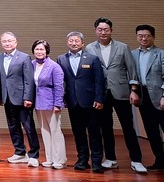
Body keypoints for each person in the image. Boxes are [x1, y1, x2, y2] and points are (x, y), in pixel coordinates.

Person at [85, 17, 147, 173]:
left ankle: (136, 160)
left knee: (128, 127)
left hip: (121, 92)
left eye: (106, 29)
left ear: (111, 30)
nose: (103, 32)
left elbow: (131, 70)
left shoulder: (122, 47)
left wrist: (134, 90)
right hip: (101, 94)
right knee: (105, 127)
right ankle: (111, 159)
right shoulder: (89, 48)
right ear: (95, 31)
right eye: (100, 29)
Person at [57, 31, 105, 173]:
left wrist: (99, 98)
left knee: (94, 133)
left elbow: (99, 81)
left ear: (82, 43)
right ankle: (82, 160)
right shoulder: (61, 59)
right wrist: (62, 99)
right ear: (67, 42)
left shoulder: (92, 58)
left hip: (90, 102)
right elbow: (61, 81)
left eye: (77, 41)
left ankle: (97, 162)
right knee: (78, 133)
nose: (74, 43)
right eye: (71, 41)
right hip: (72, 102)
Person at [0, 30, 39, 167]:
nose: (7, 43)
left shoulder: (24, 57)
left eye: (9, 41)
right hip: (7, 98)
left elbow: (29, 80)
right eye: (4, 41)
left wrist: (28, 98)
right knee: (13, 126)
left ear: (15, 42)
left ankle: (34, 155)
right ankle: (20, 152)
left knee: (28, 127)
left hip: (22, 99)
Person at [131, 24, 164, 171]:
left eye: (147, 36)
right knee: (151, 131)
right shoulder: (132, 54)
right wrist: (133, 91)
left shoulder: (161, 53)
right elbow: (131, 75)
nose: (143, 38)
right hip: (143, 97)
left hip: (160, 96)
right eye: (140, 36)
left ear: (153, 37)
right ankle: (160, 160)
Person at [31, 39, 66, 169]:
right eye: (37, 49)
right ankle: (50, 158)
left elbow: (59, 87)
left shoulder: (54, 66)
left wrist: (58, 104)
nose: (39, 51)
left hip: (51, 103)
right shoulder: (32, 64)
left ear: (47, 51)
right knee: (44, 131)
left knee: (55, 131)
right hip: (38, 103)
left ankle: (60, 160)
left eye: (42, 49)